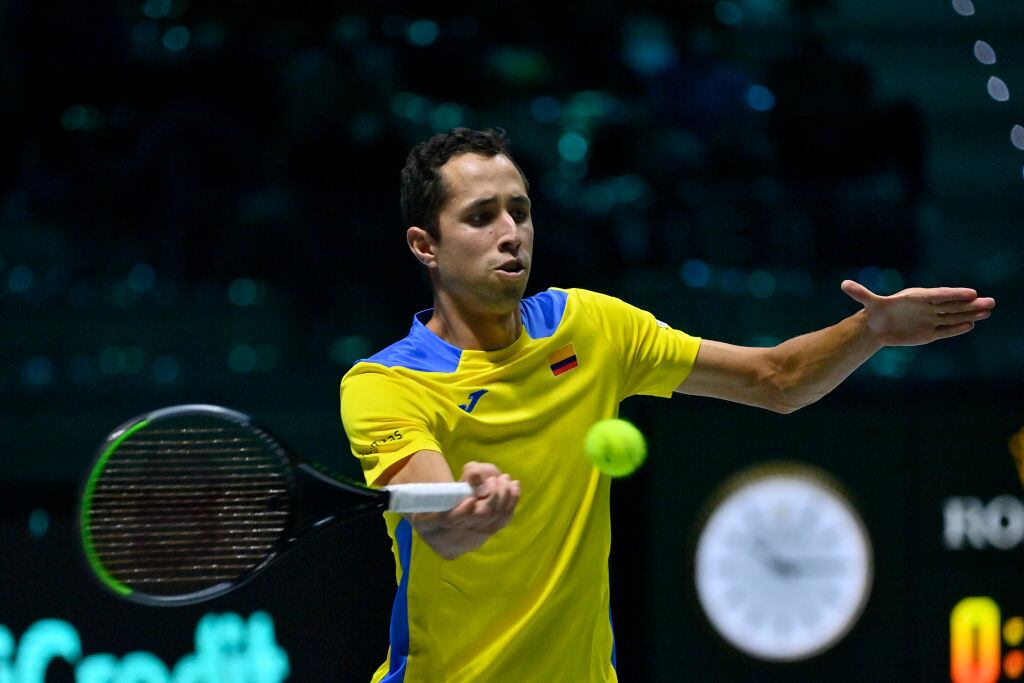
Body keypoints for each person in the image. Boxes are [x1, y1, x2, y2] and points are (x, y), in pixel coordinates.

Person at [339, 127, 994, 683]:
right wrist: (467, 503)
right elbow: (435, 517)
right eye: (482, 217)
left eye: (521, 210)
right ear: (426, 245)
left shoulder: (593, 329)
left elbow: (776, 379)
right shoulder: (385, 384)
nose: (511, 233)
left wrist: (870, 331)